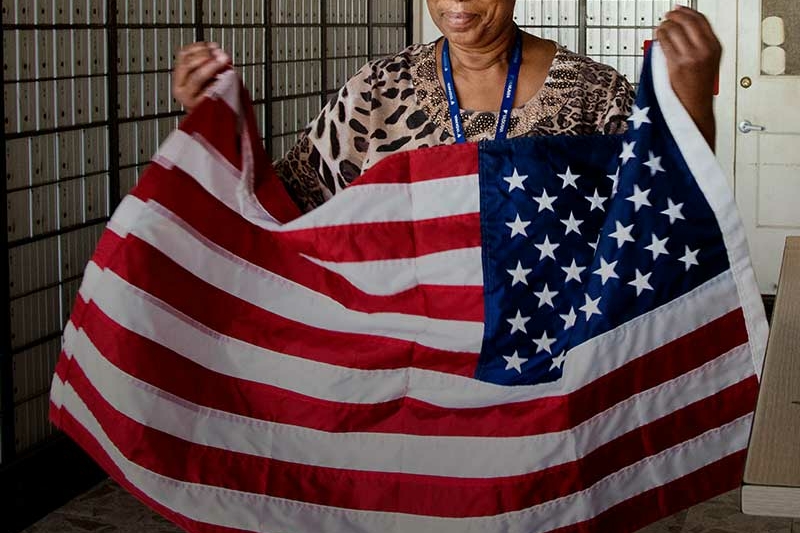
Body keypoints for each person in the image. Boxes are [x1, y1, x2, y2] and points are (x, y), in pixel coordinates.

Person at [172, 1, 721, 213]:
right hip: (406, 379)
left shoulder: (594, 95)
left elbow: (668, 212)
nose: (456, 3)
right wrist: (219, 130)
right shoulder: (376, 91)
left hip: (551, 377)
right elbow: (287, 205)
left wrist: (693, 96)